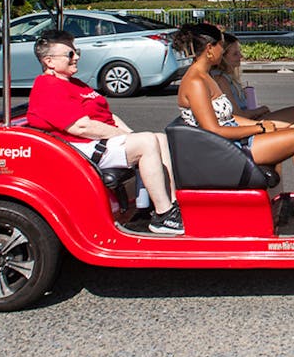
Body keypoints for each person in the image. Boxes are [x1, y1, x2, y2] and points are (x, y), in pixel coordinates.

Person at [176, 23, 294, 234]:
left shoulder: (205, 77)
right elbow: (214, 130)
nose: (222, 51)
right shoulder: (196, 82)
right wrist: (258, 129)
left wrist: (258, 125)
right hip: (224, 150)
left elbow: (227, 118)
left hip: (230, 143)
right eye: (220, 46)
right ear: (209, 49)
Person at [25, 29, 183, 235]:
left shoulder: (73, 84)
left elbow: (105, 114)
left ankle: (169, 208)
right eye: (70, 54)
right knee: (146, 143)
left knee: (158, 139)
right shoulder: (49, 87)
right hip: (79, 148)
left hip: (94, 142)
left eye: (76, 51)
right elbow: (81, 126)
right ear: (49, 61)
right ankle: (163, 215)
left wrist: (129, 133)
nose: (77, 57)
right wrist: (125, 137)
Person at [210, 30, 294, 211]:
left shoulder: (228, 79)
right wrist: (260, 118)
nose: (240, 56)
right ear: (222, 56)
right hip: (245, 127)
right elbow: (235, 116)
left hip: (248, 122)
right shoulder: (219, 80)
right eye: (235, 54)